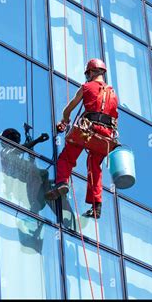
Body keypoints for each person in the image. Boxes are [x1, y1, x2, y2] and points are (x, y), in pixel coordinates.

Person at [44, 58, 118, 219]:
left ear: (91, 72)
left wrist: (65, 120)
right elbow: (114, 116)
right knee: (94, 166)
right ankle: (96, 205)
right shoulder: (113, 94)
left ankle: (62, 182)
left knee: (67, 157)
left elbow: (69, 108)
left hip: (88, 130)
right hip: (105, 136)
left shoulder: (86, 87)